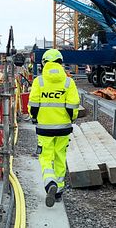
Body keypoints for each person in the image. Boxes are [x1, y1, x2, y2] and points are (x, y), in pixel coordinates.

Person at [28, 49, 80, 207]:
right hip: (64, 128)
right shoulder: (68, 82)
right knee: (60, 157)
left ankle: (49, 182)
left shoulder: (39, 81)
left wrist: (34, 118)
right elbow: (73, 106)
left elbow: (33, 104)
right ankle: (58, 192)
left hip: (44, 129)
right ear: (60, 62)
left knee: (45, 157)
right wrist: (71, 119)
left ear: (44, 63)